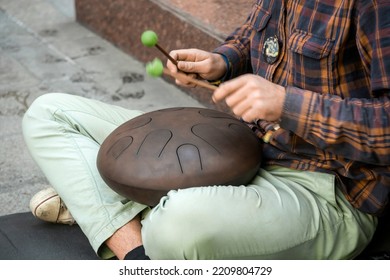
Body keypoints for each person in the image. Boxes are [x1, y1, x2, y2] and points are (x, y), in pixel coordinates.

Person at [23, 0, 389, 260]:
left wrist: (286, 104)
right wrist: (222, 60)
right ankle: (137, 249)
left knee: (176, 224)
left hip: (327, 189)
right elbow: (252, 35)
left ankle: (118, 217)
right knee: (49, 113)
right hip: (241, 144)